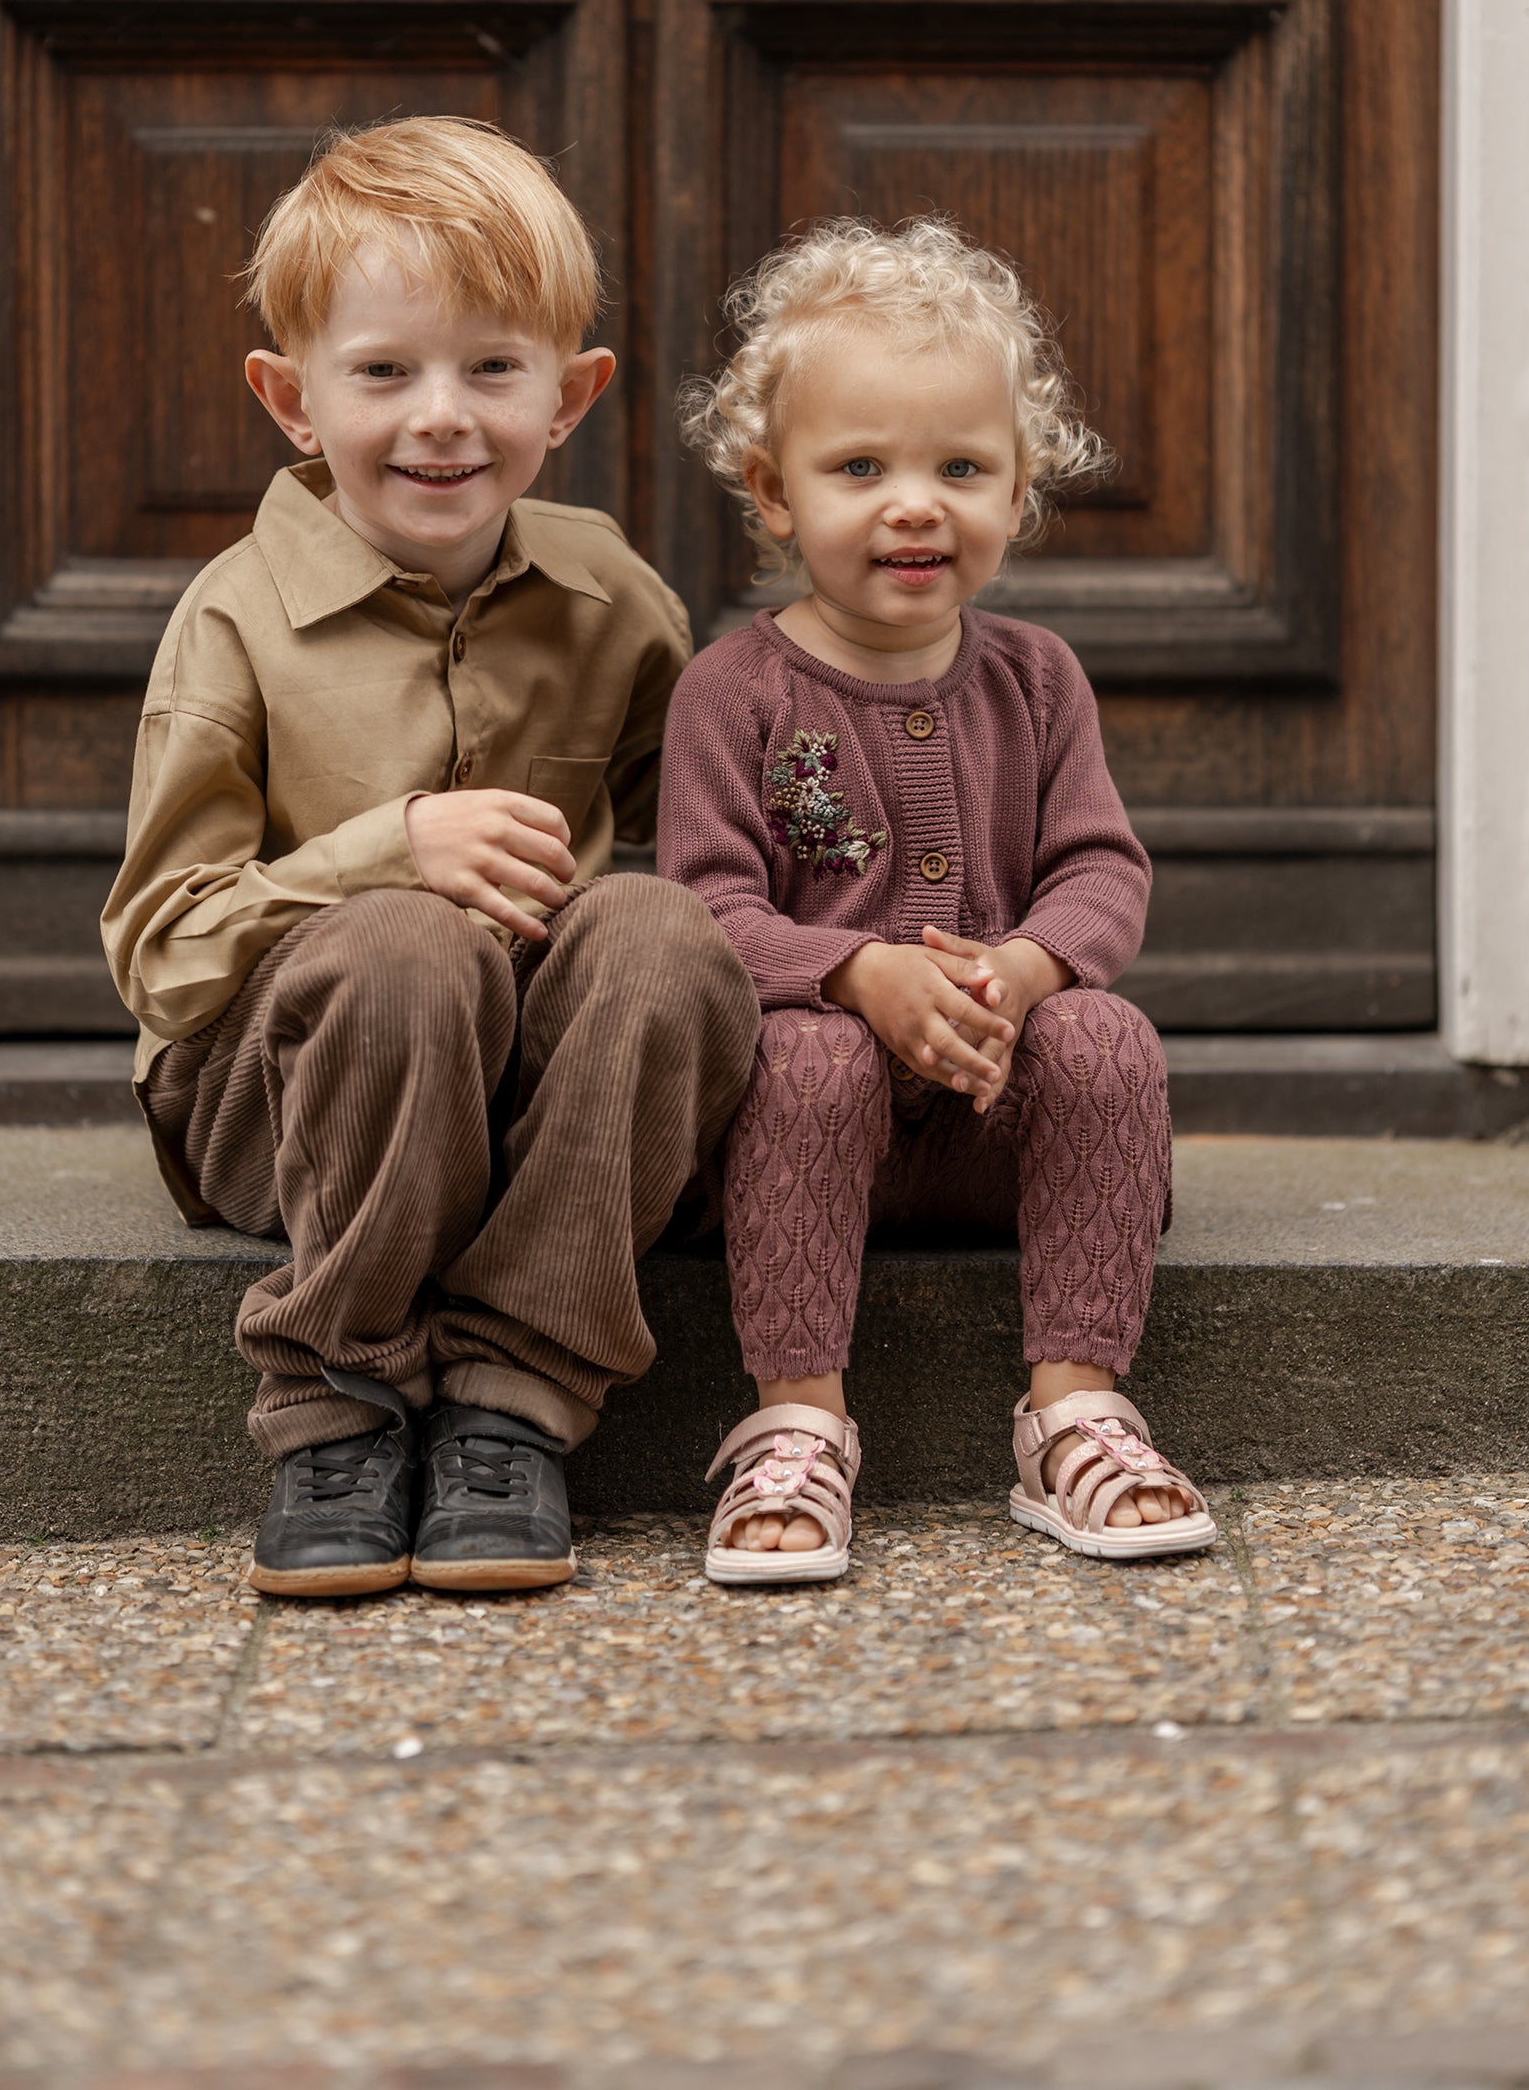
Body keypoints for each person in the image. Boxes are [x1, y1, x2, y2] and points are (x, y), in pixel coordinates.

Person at [103, 117, 758, 1601]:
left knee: (657, 929)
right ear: (292, 398)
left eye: (491, 368)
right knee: (409, 939)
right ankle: (339, 1399)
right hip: (283, 1102)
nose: (440, 418)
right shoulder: (236, 616)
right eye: (384, 371)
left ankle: (513, 1407)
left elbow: (717, 839)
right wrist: (377, 852)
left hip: (529, 1115)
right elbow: (161, 950)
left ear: (570, 395)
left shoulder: (611, 595)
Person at [656, 219, 1215, 1584]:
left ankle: (1072, 1407)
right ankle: (798, 1416)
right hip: (795, 1142)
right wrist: (853, 974)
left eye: (960, 468)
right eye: (859, 467)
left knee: (1106, 1036)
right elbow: (704, 906)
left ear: (1018, 492)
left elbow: (1100, 869)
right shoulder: (732, 692)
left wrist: (1025, 969)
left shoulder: (1035, 679)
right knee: (805, 1045)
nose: (915, 504)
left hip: (988, 1131)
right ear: (772, 491)